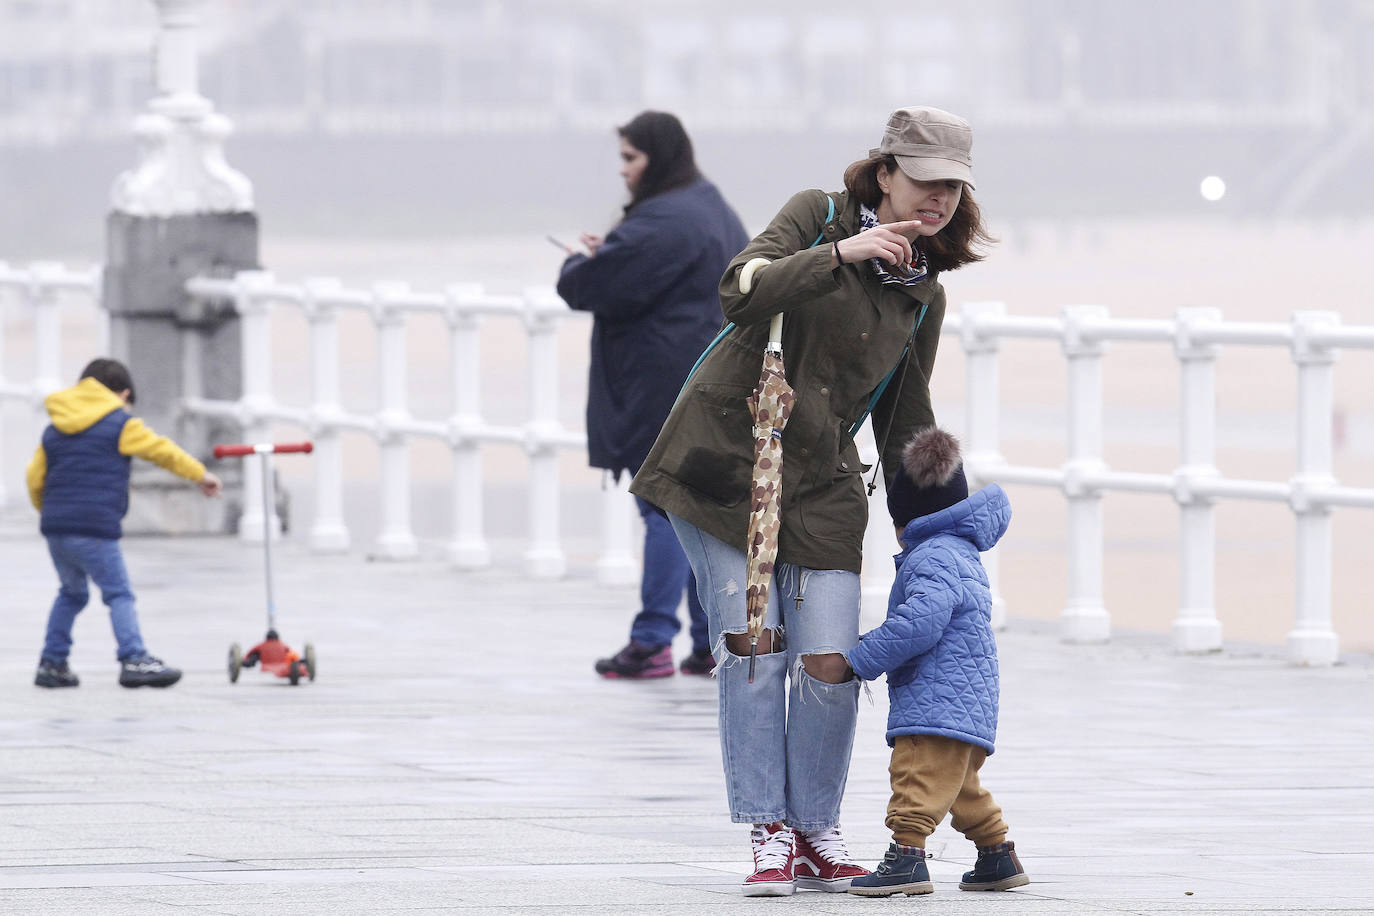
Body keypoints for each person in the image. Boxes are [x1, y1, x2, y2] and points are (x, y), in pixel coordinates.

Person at [630, 106, 994, 895]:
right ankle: (769, 828)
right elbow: (740, 290)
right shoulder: (816, 215)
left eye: (953, 189)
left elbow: (908, 417)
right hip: (728, 464)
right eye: (926, 180)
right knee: (752, 641)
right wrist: (841, 252)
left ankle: (817, 827)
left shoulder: (923, 293)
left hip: (827, 484)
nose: (939, 200)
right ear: (887, 170)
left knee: (831, 663)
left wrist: (942, 535)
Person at [558, 110, 750, 679]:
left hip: (661, 383)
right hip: (709, 377)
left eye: (630, 157)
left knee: (664, 508)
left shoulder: (666, 219)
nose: (623, 171)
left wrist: (583, 259)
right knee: (695, 511)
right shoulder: (709, 206)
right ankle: (707, 642)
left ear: (657, 158)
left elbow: (589, 285)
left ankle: (651, 642)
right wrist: (615, 247)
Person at [844, 428, 1028, 896]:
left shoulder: (931, 556)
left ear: (905, 517)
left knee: (918, 774)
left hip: (936, 696)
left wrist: (861, 658)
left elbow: (918, 624)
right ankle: (996, 856)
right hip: (966, 697)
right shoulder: (959, 551)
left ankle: (907, 857)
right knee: (960, 784)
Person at [27, 358, 222, 689]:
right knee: (119, 593)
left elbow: (35, 479)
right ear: (124, 394)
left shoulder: (55, 427)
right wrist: (200, 474)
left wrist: (52, 514)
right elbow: (164, 452)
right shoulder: (120, 424)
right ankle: (134, 658)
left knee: (71, 594)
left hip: (57, 527)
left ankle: (52, 663)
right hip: (95, 528)